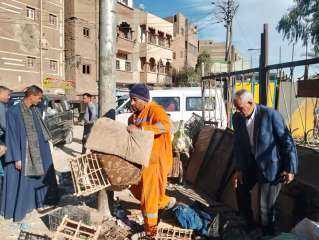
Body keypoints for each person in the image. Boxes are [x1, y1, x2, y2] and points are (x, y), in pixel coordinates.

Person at [232, 89, 298, 236]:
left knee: (265, 206)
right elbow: (238, 144)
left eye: (240, 108)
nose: (238, 111)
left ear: (250, 103)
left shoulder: (270, 114)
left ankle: (268, 233)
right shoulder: (236, 118)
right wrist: (239, 169)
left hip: (270, 165)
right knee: (240, 188)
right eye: (236, 108)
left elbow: (286, 140)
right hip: (250, 163)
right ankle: (248, 225)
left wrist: (291, 168)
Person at [1, 85, 58, 221]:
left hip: (39, 150)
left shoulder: (35, 110)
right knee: (23, 180)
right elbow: (12, 136)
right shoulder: (13, 112)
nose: (40, 100)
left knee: (42, 177)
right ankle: (22, 208)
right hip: (22, 152)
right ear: (31, 96)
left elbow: (44, 107)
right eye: (39, 97)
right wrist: (16, 158)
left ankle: (41, 203)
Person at [128, 84, 176, 237]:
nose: (132, 103)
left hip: (155, 163)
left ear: (143, 99)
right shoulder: (135, 114)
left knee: (148, 198)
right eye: (131, 100)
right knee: (138, 192)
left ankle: (150, 232)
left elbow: (166, 125)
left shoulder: (155, 110)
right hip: (142, 162)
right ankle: (166, 202)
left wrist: (142, 130)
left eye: (134, 100)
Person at [0, 86, 11, 196]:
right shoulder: (1, 106)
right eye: (7, 95)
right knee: (2, 170)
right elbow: (5, 126)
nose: (9, 97)